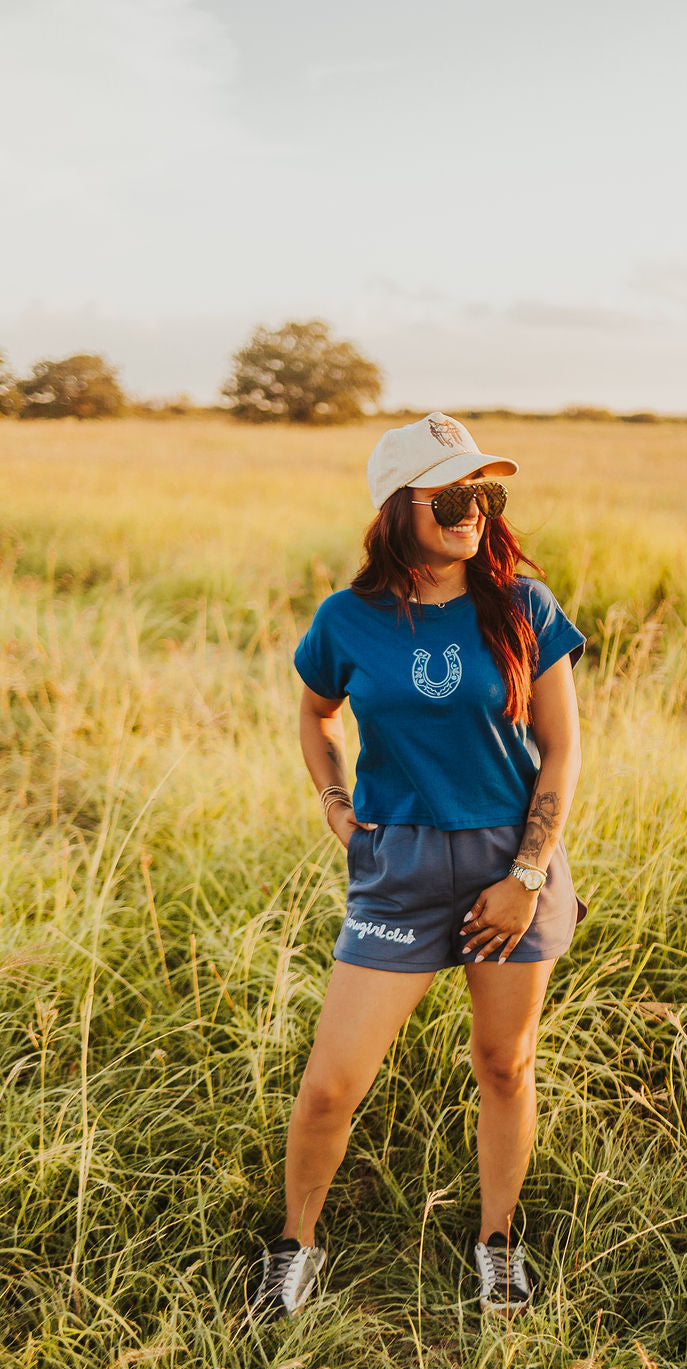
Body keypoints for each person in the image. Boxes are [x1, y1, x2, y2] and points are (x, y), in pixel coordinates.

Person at [247, 411, 587, 1322]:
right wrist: (334, 801)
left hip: (510, 867)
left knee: (504, 1064)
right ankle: (295, 1246)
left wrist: (525, 877)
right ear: (398, 507)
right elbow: (316, 712)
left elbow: (561, 752)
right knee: (331, 1085)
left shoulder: (524, 607)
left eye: (485, 495)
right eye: (451, 497)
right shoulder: (346, 619)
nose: (473, 511)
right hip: (397, 868)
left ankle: (498, 1244)